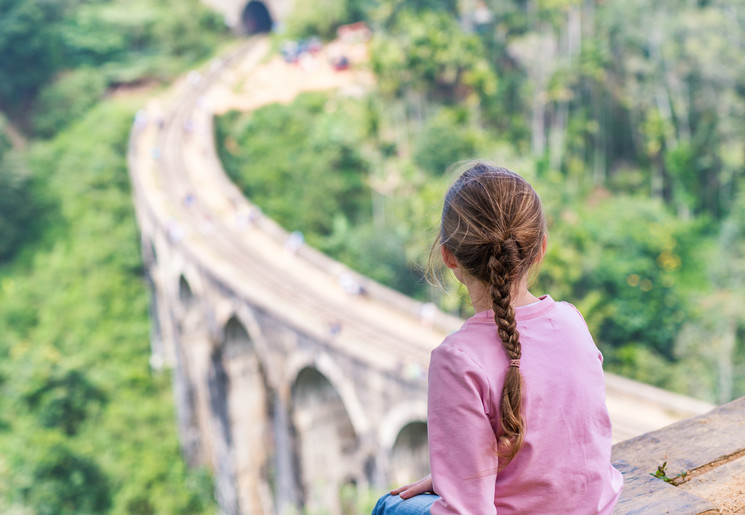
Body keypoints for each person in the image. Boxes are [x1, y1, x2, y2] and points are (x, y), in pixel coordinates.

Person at [373, 162, 623, 514]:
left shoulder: (458, 358)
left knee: (389, 505)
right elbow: (561, 449)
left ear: (448, 256)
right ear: (540, 249)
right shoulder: (571, 321)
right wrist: (453, 475)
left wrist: (453, 485)